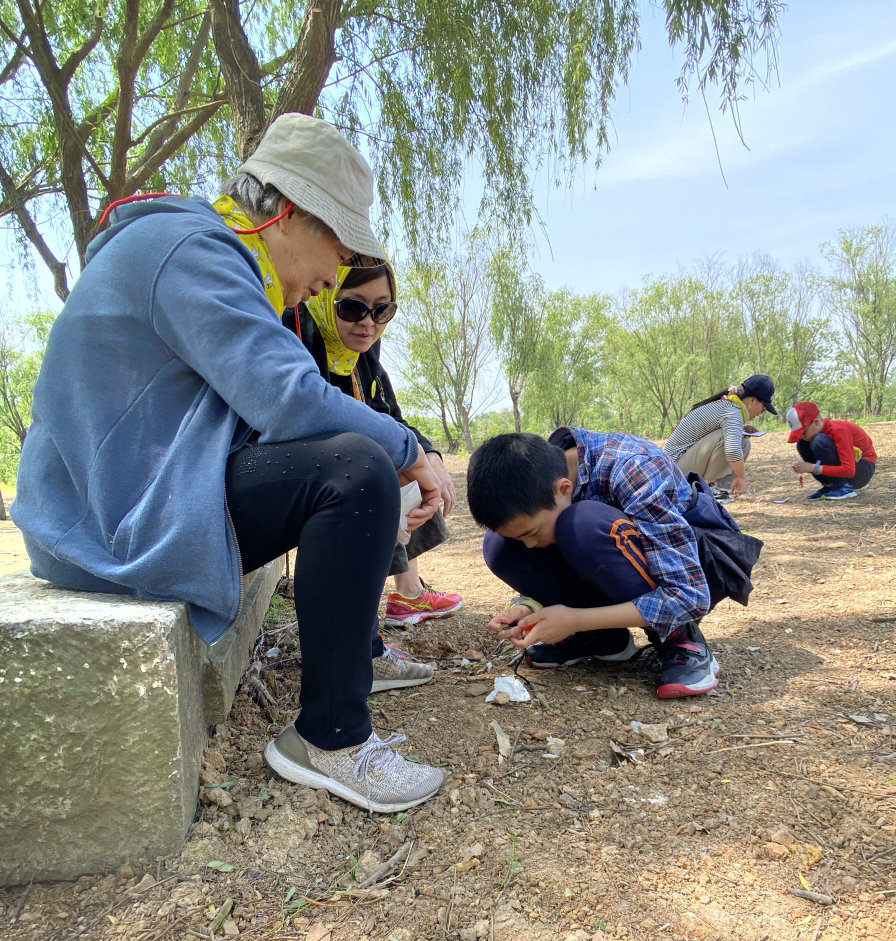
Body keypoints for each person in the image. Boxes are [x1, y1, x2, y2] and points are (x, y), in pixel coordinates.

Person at [12, 113, 446, 814]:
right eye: (338, 248)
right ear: (289, 211)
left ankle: (355, 671)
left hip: (128, 503)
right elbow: (288, 399)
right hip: (107, 526)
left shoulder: (213, 256)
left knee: (353, 468)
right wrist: (411, 451)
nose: (333, 276)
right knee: (356, 469)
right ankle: (331, 737)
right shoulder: (192, 250)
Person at [466, 430, 762, 699]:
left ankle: (681, 640)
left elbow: (688, 596)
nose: (530, 545)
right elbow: (562, 555)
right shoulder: (541, 473)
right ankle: (602, 639)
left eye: (531, 533)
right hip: (628, 561)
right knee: (499, 546)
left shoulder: (632, 469)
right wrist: (530, 605)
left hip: (699, 563)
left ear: (564, 489)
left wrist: (575, 620)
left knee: (581, 524)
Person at [282, 264, 463, 626]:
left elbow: (389, 415)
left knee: (404, 463)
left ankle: (408, 592)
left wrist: (429, 455)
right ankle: (359, 627)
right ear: (325, 296)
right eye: (353, 307)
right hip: (292, 468)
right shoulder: (297, 334)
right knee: (379, 467)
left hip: (340, 464)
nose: (368, 323)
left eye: (383, 310)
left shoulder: (362, 354)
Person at [664, 374, 778, 499]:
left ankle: (711, 487)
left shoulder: (729, 406)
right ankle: (707, 487)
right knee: (728, 438)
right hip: (673, 470)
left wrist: (741, 429)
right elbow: (732, 450)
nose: (762, 412)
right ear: (752, 400)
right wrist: (741, 477)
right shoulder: (733, 411)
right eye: (764, 408)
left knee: (744, 442)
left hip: (677, 465)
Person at [786, 402, 878, 500]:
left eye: (803, 433)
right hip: (851, 468)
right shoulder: (818, 434)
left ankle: (844, 487)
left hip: (862, 469)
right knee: (802, 444)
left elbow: (849, 470)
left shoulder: (839, 430)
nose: (802, 437)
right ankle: (830, 485)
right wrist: (805, 467)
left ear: (816, 422)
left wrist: (814, 468)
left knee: (818, 441)